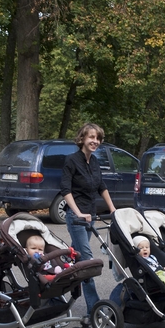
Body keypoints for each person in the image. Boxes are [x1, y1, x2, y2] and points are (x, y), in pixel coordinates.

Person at [61, 122, 116, 314]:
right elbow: (65, 191)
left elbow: (101, 186)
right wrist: (77, 213)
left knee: (75, 258)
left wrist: (113, 209)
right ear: (82, 138)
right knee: (87, 262)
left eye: (98, 138)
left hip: (90, 216)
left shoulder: (94, 162)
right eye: (91, 137)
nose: (95, 141)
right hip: (76, 218)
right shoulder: (71, 160)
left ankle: (56, 282)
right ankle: (94, 309)